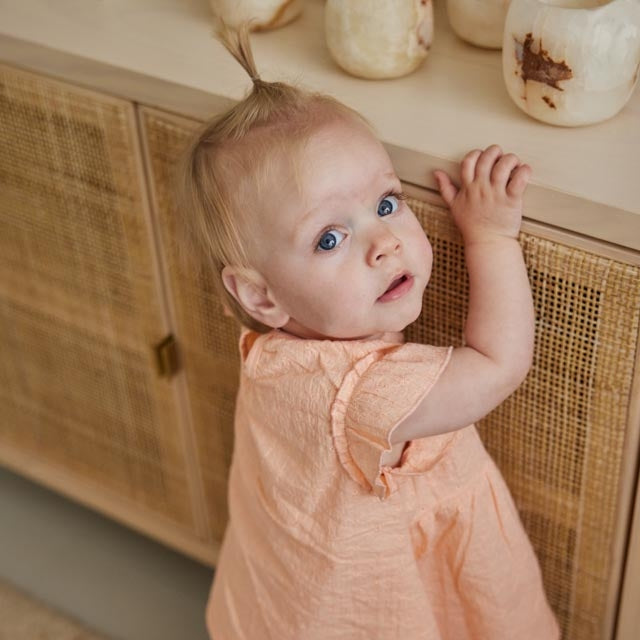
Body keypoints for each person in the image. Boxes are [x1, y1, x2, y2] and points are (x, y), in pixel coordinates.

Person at [175, 20, 561, 640]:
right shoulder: (363, 394)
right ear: (260, 295)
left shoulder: (272, 348)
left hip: (293, 589)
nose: (384, 243)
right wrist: (491, 237)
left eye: (386, 203)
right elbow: (498, 362)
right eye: (330, 238)